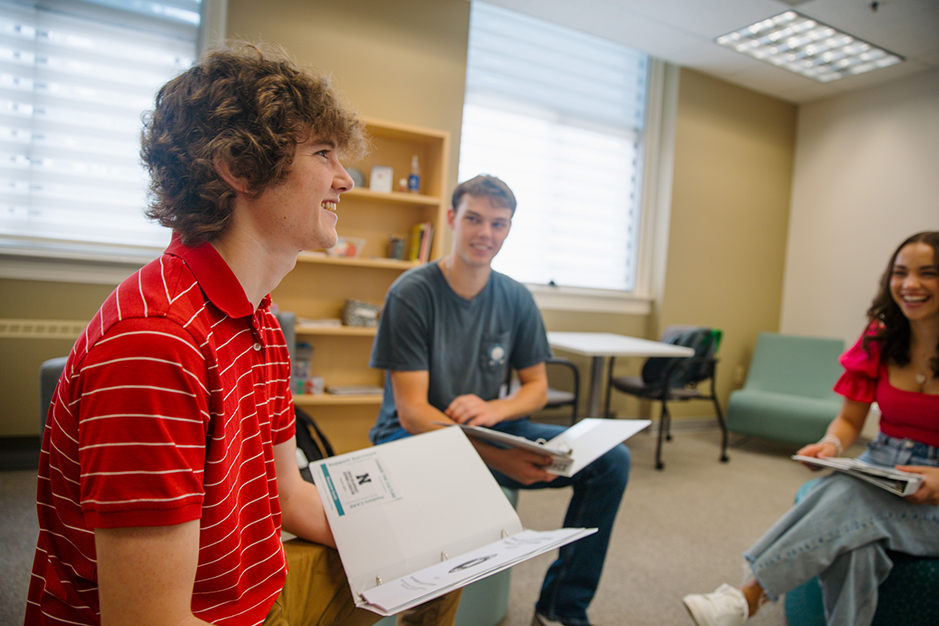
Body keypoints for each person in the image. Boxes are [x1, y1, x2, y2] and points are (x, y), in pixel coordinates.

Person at [25, 42, 459, 626]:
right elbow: (148, 619)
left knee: (449, 553)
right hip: (200, 616)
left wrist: (419, 543)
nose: (345, 178)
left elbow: (286, 494)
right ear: (240, 165)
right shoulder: (157, 345)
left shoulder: (260, 321)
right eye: (324, 153)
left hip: (260, 591)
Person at [368, 174, 632, 626]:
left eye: (498, 224)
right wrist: (498, 458)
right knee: (443, 475)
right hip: (411, 438)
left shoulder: (516, 298)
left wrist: (495, 411)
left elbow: (536, 388)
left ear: (509, 230)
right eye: (473, 219)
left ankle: (559, 611)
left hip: (490, 427)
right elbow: (412, 413)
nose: (484, 233)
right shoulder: (412, 293)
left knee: (612, 461)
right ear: (452, 218)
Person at [682, 230, 939, 626]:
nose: (910, 285)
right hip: (884, 467)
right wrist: (832, 444)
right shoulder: (882, 337)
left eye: (929, 273)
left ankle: (748, 596)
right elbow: (851, 420)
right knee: (856, 547)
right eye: (900, 272)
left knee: (849, 494)